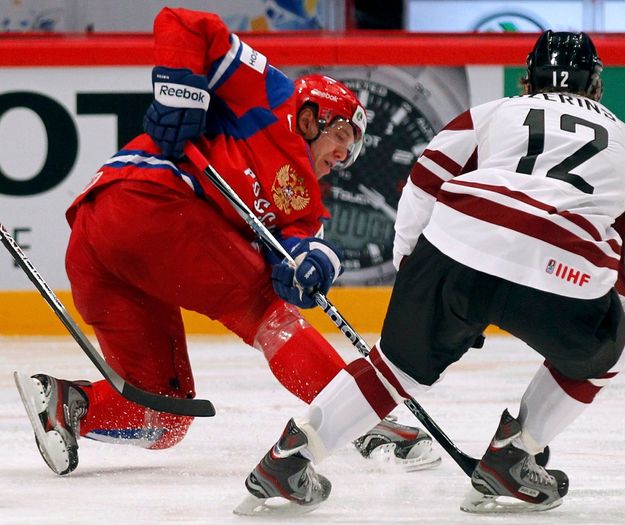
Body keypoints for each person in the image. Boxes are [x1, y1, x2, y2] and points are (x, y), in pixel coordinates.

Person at [239, 30, 625, 516]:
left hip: (458, 247)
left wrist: (413, 269)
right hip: (561, 272)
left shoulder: (494, 112)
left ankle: (290, 457)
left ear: (529, 78)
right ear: (596, 85)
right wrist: (616, 323)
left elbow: (425, 178)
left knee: (393, 371)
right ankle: (516, 452)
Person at [13, 7, 440, 477]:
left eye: (352, 147)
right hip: (149, 203)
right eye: (341, 133)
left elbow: (308, 250)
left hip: (103, 245)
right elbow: (185, 23)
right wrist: (181, 91)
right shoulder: (273, 92)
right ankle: (363, 419)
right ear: (312, 114)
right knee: (266, 314)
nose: (343, 154)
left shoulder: (306, 201)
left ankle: (67, 405)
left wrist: (314, 266)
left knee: (165, 415)